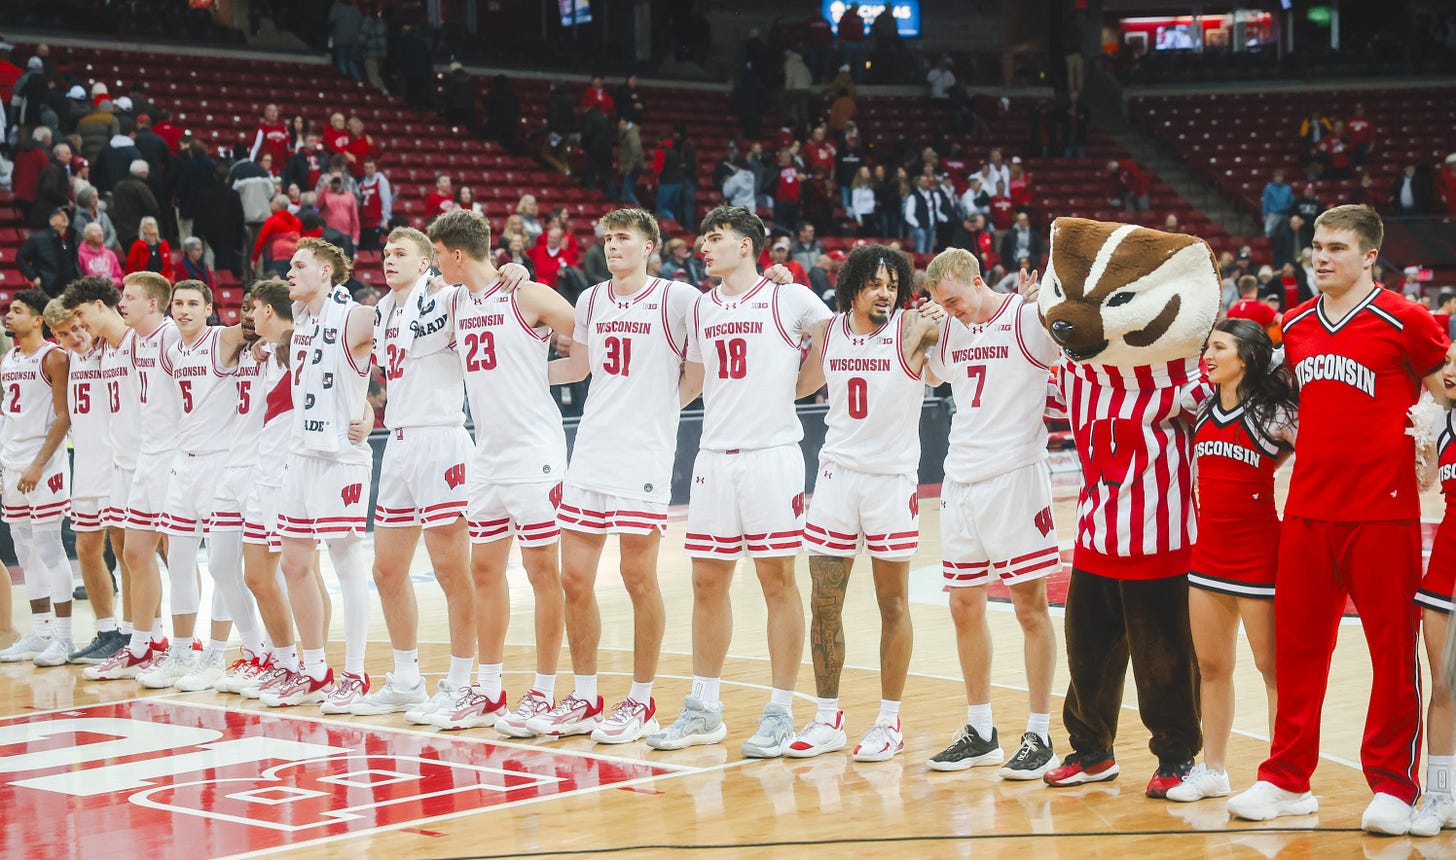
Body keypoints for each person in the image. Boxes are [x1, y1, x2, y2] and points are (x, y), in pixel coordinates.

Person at [1228, 205, 1453, 835]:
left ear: (1368, 256)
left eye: (1335, 248)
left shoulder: (1407, 320)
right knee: (1298, 651)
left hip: (1382, 513)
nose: (1320, 257)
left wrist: (1431, 456)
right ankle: (1287, 778)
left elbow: (1445, 396)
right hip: (1305, 510)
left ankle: (1392, 783)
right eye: (1315, 248)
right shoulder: (1293, 325)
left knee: (1390, 651)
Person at [646, 205, 833, 756]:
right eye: (704, 238)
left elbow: (836, 341)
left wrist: (794, 391)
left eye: (716, 238)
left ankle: (780, 710)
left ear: (747, 246)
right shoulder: (702, 307)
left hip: (771, 456)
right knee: (707, 584)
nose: (704, 246)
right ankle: (704, 708)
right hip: (712, 458)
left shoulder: (789, 295)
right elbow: (695, 379)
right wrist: (651, 417)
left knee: (778, 584)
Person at [521, 209, 698, 742]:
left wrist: (662, 412)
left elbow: (698, 372)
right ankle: (585, 696)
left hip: (642, 456)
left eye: (624, 238)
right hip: (592, 451)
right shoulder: (592, 299)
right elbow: (577, 369)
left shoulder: (678, 299)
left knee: (637, 577)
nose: (613, 245)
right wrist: (517, 374)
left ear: (649, 247)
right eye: (608, 238)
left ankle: (641, 701)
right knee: (573, 578)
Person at [912, 249, 1064, 778]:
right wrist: (923, 326)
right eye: (940, 303)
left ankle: (1040, 733)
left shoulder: (1026, 318)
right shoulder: (949, 327)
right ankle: (980, 730)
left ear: (978, 282)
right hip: (961, 478)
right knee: (963, 607)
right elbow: (923, 374)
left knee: (1029, 607)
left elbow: (1075, 356)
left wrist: (1048, 303)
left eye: (954, 299)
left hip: (1016, 475)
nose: (950, 310)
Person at [425, 209, 575, 736]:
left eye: (438, 254)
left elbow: (588, 336)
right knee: (484, 572)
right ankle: (489, 691)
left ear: (458, 254)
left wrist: (547, 373)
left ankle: (543, 691)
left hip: (534, 455)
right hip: (486, 456)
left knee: (542, 575)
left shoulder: (526, 295)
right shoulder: (457, 299)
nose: (434, 262)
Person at [785, 245, 938, 762]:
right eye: (875, 283)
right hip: (835, 477)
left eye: (893, 284)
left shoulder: (915, 328)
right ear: (852, 287)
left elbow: (970, 333)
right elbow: (799, 386)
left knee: (892, 602)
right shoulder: (828, 332)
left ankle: (889, 722)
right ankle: (827, 717)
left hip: (891, 483)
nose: (885, 292)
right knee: (825, 602)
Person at [345, 227, 477, 725]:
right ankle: (406, 680)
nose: (388, 260)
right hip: (398, 444)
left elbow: (489, 290)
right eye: (385, 253)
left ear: (427, 263)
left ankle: (463, 683)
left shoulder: (447, 298)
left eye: (401, 254)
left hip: (441, 440)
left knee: (451, 569)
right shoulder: (381, 312)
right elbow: (350, 364)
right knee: (387, 570)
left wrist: (515, 271)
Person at [1161, 319, 1293, 803]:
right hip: (1208, 554)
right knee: (1212, 667)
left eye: (1219, 346)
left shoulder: (1276, 412)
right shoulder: (1201, 410)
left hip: (1260, 554)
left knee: (1273, 669)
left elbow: (1316, 456)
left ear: (1248, 355)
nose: (1209, 355)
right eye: (1207, 346)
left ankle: (1284, 774)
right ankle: (1214, 769)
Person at [259, 238, 377, 711]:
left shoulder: (354, 316)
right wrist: (364, 405)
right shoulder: (302, 322)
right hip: (302, 453)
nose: (290, 272)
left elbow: (404, 315)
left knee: (348, 566)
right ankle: (314, 669)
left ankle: (356, 673)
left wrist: (367, 414)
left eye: (299, 265)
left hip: (340, 459)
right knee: (293, 564)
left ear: (326, 272)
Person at [152, 280, 264, 692]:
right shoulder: (170, 349)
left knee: (223, 567)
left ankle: (217, 655)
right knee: (178, 562)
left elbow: (262, 326)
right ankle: (181, 652)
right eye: (178, 303)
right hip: (183, 463)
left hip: (221, 463)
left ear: (209, 309)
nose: (183, 310)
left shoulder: (222, 339)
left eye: (192, 304)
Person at [77, 272, 182, 683]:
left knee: (179, 554)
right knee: (134, 554)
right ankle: (146, 642)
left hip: (168, 457)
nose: (123, 301)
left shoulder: (172, 336)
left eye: (130, 296)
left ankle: (189, 646)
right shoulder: (132, 341)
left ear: (152, 303)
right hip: (136, 460)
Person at [66, 280, 147, 678]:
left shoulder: (137, 342)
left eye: (80, 316)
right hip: (114, 462)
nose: (76, 326)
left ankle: (157, 638)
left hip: (144, 460)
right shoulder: (102, 350)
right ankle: (128, 636)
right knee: (122, 548)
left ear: (100, 306)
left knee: (159, 553)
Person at [40, 294, 123, 664]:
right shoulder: (68, 360)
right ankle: (108, 631)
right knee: (87, 549)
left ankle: (147, 635)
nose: (74, 337)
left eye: (76, 327)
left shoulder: (114, 349)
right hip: (87, 464)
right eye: (63, 333)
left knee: (133, 552)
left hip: (121, 463)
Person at [0, 290, 74, 667]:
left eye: (17, 310)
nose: (9, 315)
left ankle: (64, 638)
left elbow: (64, 416)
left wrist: (37, 464)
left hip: (43, 467)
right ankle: (41, 630)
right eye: (9, 310)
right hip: (11, 464)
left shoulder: (54, 357)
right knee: (24, 549)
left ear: (37, 319)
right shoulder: (6, 359)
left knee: (48, 547)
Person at [1411, 361, 1456, 835]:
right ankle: (1440, 795)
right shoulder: (1440, 423)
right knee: (1443, 688)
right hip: (1446, 565)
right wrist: (1420, 442)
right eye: (1447, 364)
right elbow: (1424, 482)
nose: (1451, 373)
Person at [16, 207, 79, 297]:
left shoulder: (72, 239)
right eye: (60, 215)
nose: (65, 217)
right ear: (51, 221)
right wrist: (34, 277)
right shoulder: (37, 239)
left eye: (67, 215)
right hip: (48, 289)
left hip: (69, 290)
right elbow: (20, 258)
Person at [125, 216, 173, 280]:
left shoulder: (164, 245)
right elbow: (129, 268)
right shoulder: (137, 246)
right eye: (150, 224)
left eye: (155, 224)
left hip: (162, 281)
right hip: (143, 282)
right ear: (144, 229)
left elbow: (168, 268)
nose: (153, 225)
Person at [78, 221, 124, 286]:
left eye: (101, 230)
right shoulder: (80, 255)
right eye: (95, 231)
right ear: (87, 236)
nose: (100, 233)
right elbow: (79, 279)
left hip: (110, 290)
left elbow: (119, 277)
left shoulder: (110, 254)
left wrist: (111, 282)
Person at [248, 103, 289, 167]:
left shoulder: (284, 129)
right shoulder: (261, 129)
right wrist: (250, 164)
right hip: (265, 167)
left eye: (275, 111)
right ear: (265, 114)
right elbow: (255, 148)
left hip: (281, 168)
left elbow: (288, 148)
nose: (273, 113)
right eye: (270, 111)